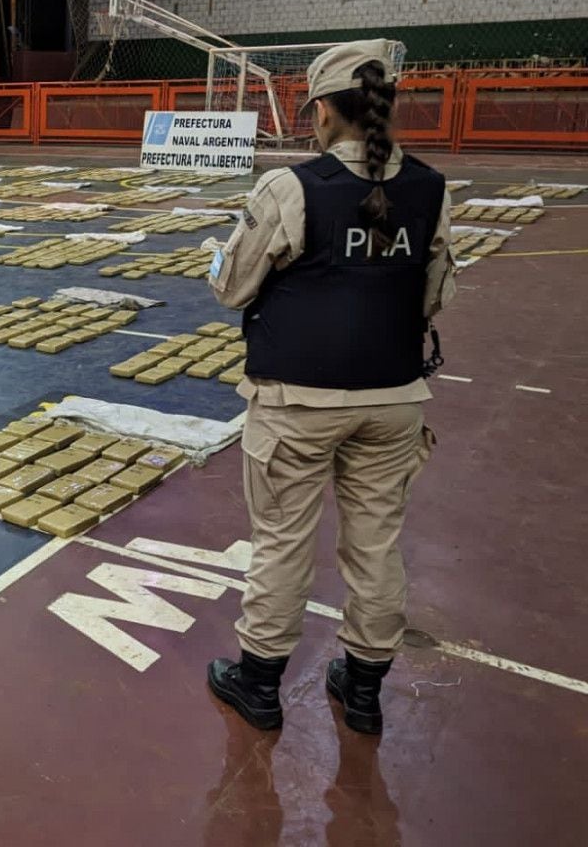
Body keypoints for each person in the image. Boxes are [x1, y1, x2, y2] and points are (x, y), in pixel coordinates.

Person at [204, 39, 454, 736]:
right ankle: (365, 689)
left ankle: (258, 686)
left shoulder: (291, 188)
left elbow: (232, 287)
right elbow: (435, 295)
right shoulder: (431, 189)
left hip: (298, 402)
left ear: (320, 111)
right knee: (376, 543)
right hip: (395, 398)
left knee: (282, 540)